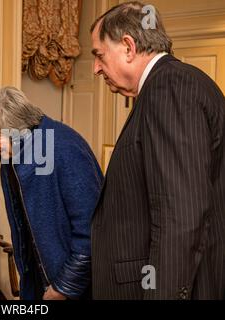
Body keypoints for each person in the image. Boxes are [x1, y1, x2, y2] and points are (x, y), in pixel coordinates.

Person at [90, 1, 225, 299]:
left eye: (99, 55)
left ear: (128, 46)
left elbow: (180, 215)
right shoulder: (164, 86)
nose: (95, 67)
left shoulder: (170, 86)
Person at [0, 87, 103, 300]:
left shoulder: (65, 148)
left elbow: (92, 230)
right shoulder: (13, 153)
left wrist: (64, 287)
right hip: (37, 278)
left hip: (71, 286)